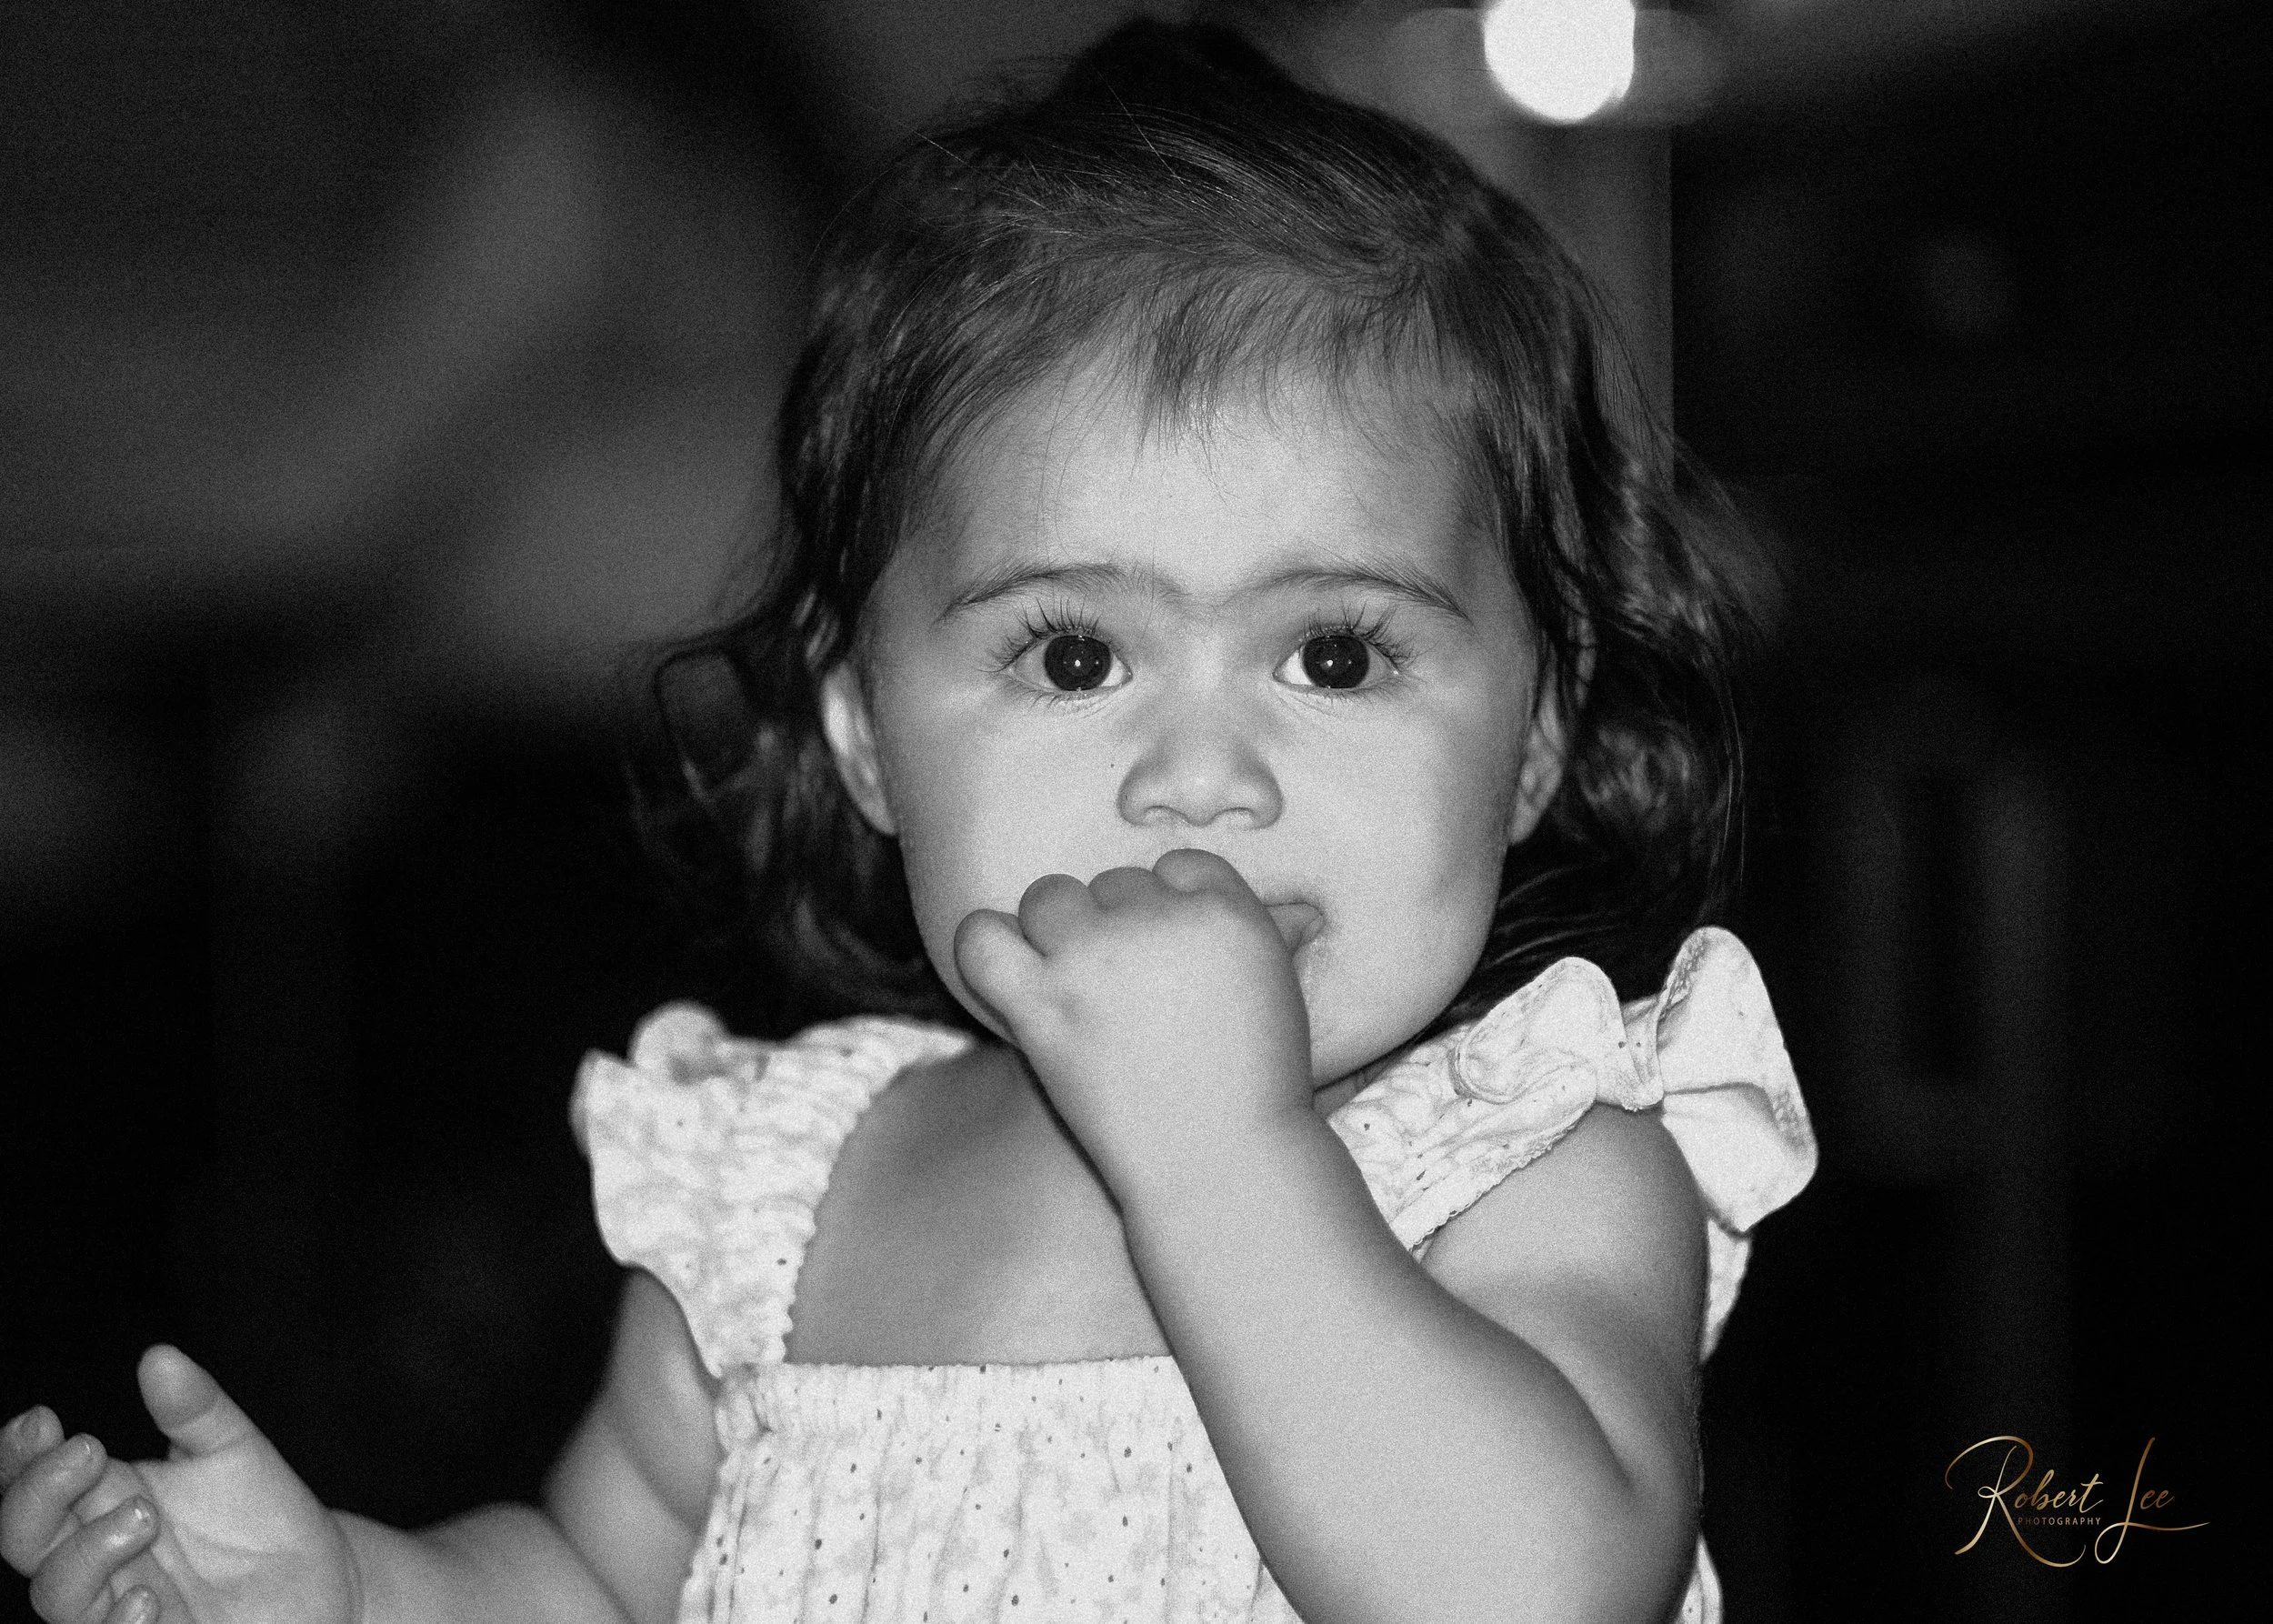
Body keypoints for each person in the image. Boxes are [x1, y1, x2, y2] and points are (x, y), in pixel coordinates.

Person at [0, 20, 1815, 1624]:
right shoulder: (778, 1191)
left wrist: (1219, 1152)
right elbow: (593, 1576)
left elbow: (1528, 1589)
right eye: (1073, 648)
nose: (1201, 774)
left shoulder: (1528, 1162)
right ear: (866, 735)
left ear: (1529, 735)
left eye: (1332, 652)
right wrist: (350, 1587)